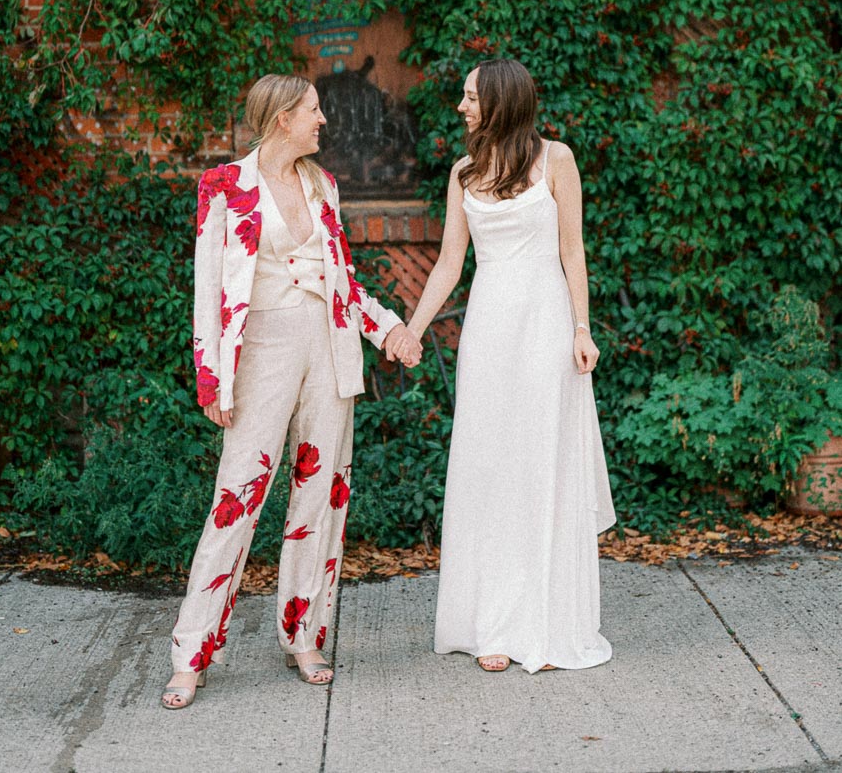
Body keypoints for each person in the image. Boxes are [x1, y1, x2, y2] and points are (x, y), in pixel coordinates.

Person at [162, 73, 422, 708]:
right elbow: (207, 291)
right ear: (282, 118)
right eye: (313, 111)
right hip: (261, 356)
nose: (323, 121)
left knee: (320, 501)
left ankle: (305, 635)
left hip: (327, 352)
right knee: (236, 497)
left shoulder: (323, 185)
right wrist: (211, 376)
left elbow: (344, 281)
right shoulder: (224, 188)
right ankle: (191, 652)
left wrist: (388, 329)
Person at [404, 58, 615, 674]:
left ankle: (545, 625)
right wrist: (412, 330)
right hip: (491, 328)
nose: (462, 107)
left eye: (470, 97)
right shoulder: (464, 172)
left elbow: (572, 250)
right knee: (490, 470)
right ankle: (492, 622)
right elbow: (448, 263)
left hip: (547, 325)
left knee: (539, 466)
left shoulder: (557, 160)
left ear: (500, 101)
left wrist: (582, 327)